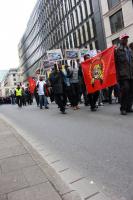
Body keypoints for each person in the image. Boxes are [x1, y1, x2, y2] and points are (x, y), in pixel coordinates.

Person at [115, 34, 133, 115]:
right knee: (125, 90)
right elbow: (115, 64)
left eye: (126, 38)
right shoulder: (117, 50)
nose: (126, 40)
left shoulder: (130, 50)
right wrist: (117, 76)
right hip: (123, 75)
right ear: (121, 40)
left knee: (131, 91)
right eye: (124, 39)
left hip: (131, 74)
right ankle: (123, 108)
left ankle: (129, 107)